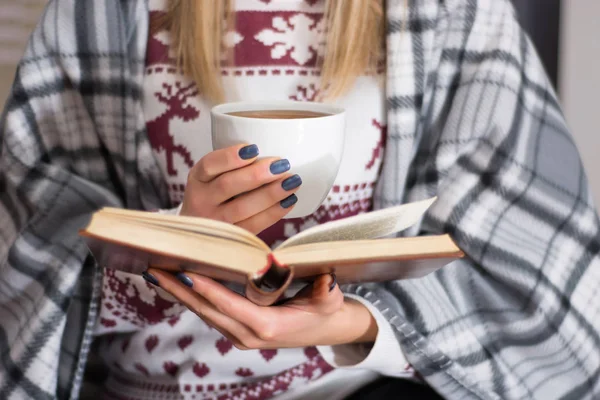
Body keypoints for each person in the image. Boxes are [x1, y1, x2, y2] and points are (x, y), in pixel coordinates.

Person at [0, 0, 599, 399]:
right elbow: (24, 259)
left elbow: (529, 260)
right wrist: (179, 243)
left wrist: (357, 324)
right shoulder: (99, 13)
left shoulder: (456, 14)